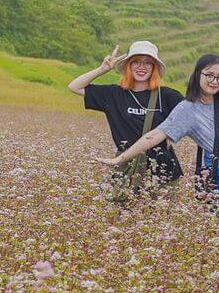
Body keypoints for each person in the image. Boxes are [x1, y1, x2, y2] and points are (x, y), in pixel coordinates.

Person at [97, 54, 219, 203]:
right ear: (198, 75)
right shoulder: (187, 109)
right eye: (209, 75)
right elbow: (155, 135)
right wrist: (120, 159)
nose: (214, 81)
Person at [69, 40, 183, 196]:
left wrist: (174, 132)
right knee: (122, 209)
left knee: (160, 212)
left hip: (163, 172)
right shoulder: (113, 94)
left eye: (147, 63)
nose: (141, 67)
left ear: (154, 68)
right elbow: (74, 86)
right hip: (127, 168)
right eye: (136, 62)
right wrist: (102, 69)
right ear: (128, 66)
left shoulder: (168, 95)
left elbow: (191, 116)